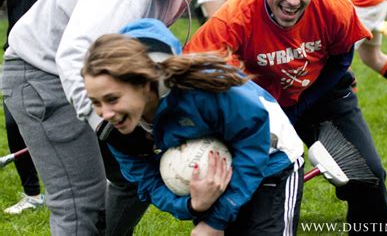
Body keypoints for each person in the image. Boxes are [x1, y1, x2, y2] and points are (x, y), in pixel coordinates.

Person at [2, 0, 231, 234]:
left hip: (101, 74)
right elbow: (73, 56)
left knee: (135, 178)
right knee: (79, 203)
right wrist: (110, 128)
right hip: (42, 74)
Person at [186, 0, 387, 233]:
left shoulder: (335, 6)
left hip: (322, 97)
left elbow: (340, 60)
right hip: (254, 107)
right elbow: (195, 73)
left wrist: (302, 106)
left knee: (367, 175)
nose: (293, 0)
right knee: (245, 189)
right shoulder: (233, 19)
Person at [82, 18, 305, 235]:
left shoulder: (207, 91)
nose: (105, 113)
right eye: (96, 102)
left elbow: (252, 144)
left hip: (271, 160)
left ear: (143, 82)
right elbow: (148, 182)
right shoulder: (117, 128)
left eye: (112, 99)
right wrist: (193, 206)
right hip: (212, 171)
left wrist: (216, 220)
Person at [0, 0, 75, 215]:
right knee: (13, 122)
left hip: (53, 51)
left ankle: (77, 184)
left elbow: (73, 1)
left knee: (64, 120)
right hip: (17, 51)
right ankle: (32, 194)